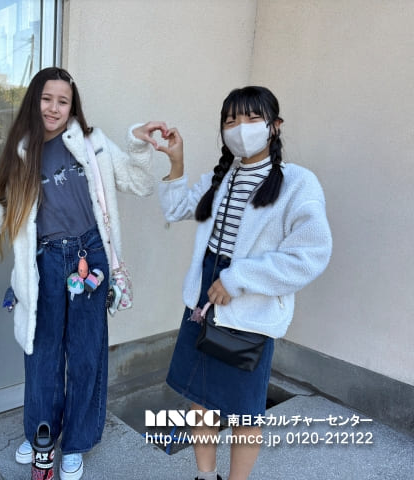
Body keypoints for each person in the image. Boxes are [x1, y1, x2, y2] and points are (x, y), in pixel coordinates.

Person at [0, 66, 165, 480]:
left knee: (85, 354)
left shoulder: (92, 142)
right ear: (34, 101)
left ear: (72, 106)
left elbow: (139, 184)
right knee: (42, 354)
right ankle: (41, 436)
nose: (53, 108)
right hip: (46, 262)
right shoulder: (21, 150)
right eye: (46, 99)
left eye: (62, 101)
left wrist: (138, 143)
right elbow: (12, 213)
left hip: (90, 256)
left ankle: (78, 442)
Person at [157, 86, 332, 480]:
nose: (241, 128)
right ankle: (205, 476)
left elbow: (311, 253)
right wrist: (176, 161)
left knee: (244, 412)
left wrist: (237, 278)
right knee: (200, 399)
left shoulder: (298, 183)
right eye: (231, 120)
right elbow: (176, 208)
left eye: (253, 118)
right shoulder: (221, 177)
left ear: (275, 125)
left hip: (249, 304)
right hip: (202, 298)